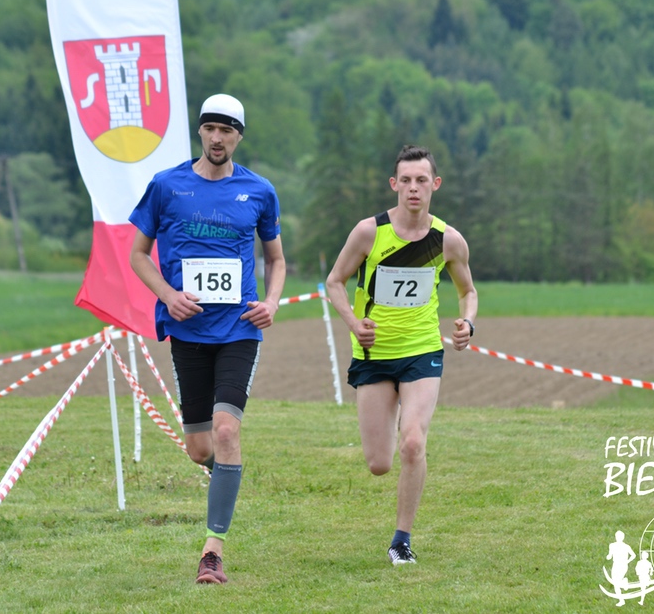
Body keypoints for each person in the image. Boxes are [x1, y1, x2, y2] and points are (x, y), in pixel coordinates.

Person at [129, 93, 286, 585]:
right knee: (200, 449)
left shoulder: (259, 191)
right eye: (211, 129)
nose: (218, 138)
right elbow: (137, 254)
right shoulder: (166, 185)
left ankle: (212, 552)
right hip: (188, 331)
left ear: (239, 136)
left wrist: (271, 302)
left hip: (239, 329)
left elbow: (276, 259)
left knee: (225, 431)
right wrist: (168, 295)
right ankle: (228, 472)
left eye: (227, 131)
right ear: (200, 131)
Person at [325, 144, 477, 566]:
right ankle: (393, 414)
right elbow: (335, 281)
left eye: (421, 180)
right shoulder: (369, 233)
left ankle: (401, 540)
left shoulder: (447, 240)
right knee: (378, 463)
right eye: (406, 180)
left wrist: (468, 323)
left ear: (435, 185)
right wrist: (354, 323)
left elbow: (468, 291)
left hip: (422, 351)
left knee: (412, 442)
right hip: (374, 354)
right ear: (394, 184)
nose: (413, 188)